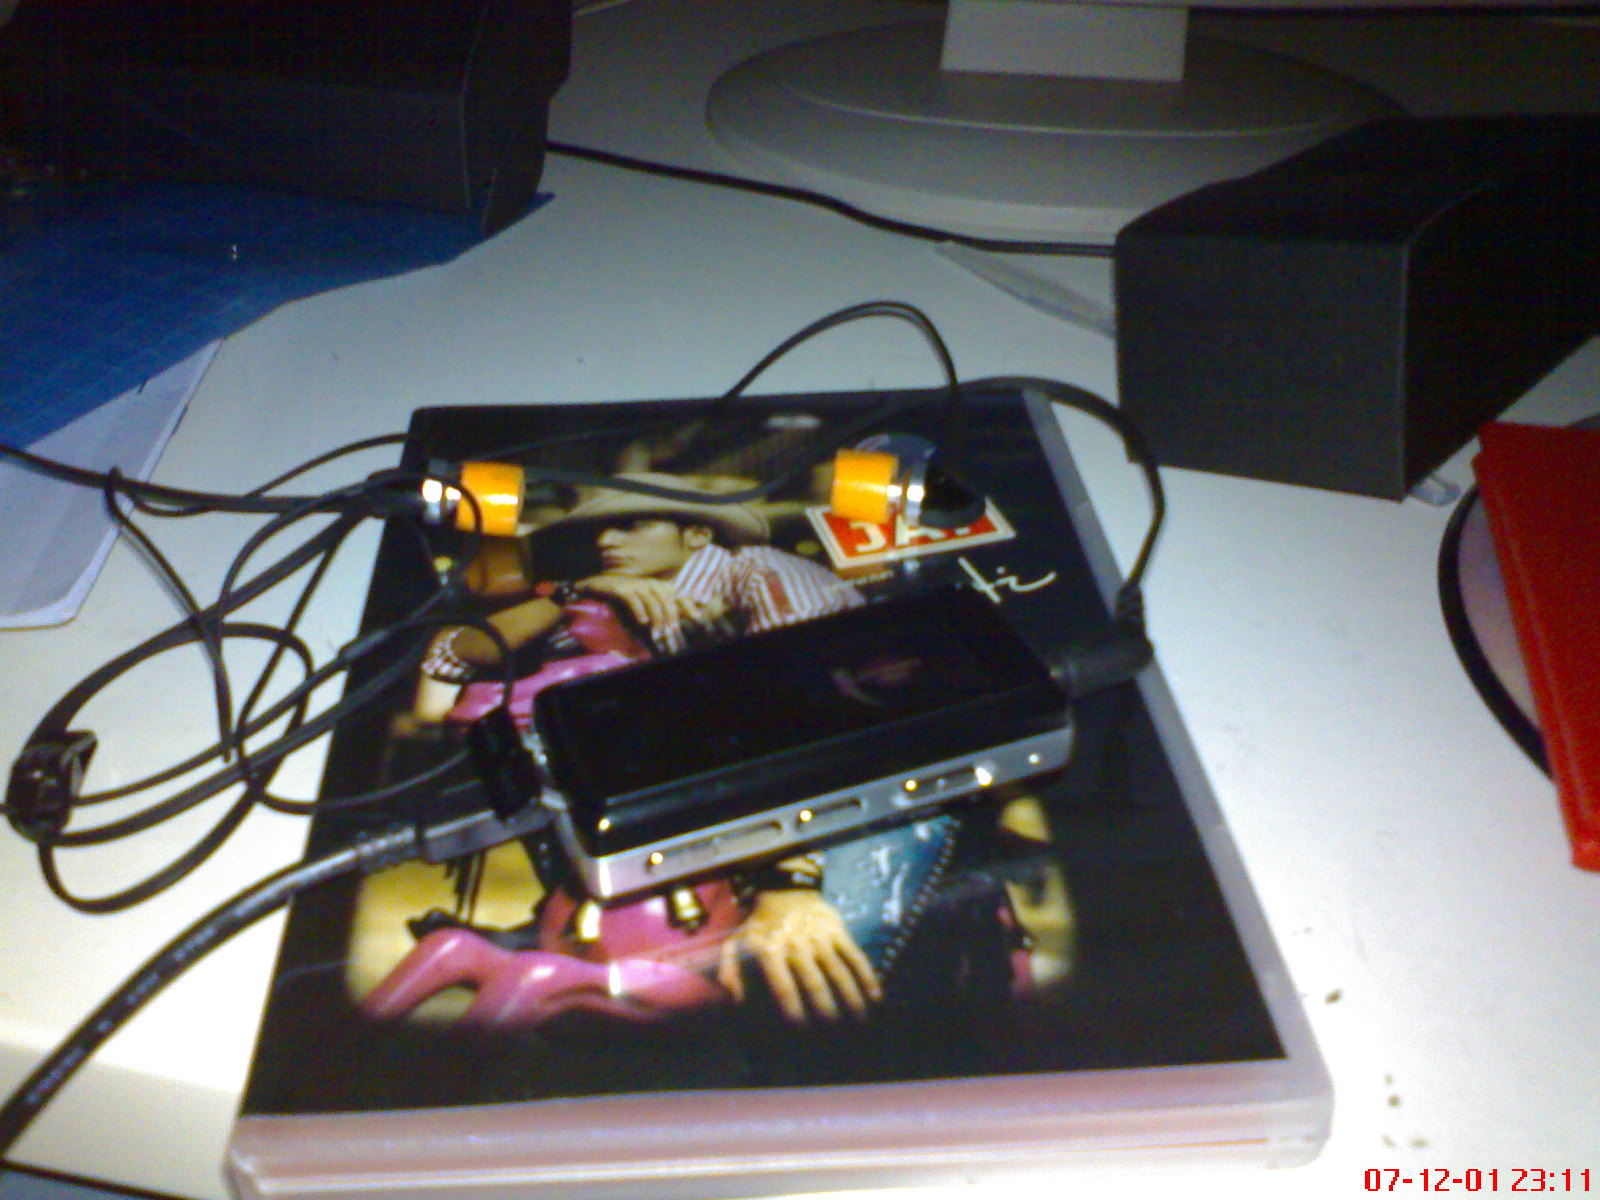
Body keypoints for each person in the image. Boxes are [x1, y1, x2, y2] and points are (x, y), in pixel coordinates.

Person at [373, 474, 884, 1025]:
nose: (607, 540)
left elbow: (797, 719)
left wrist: (787, 879)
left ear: (695, 535)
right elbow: (449, 658)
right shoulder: (616, 593)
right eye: (599, 529)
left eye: (633, 525)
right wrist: (573, 595)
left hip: (840, 788)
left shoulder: (760, 572)